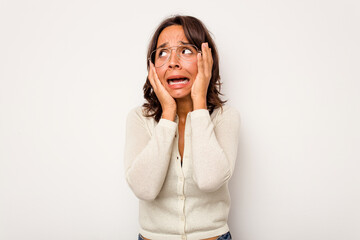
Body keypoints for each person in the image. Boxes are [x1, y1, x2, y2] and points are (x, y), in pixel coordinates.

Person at [124, 15, 240, 240]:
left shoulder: (226, 118)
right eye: (163, 53)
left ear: (206, 60)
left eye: (186, 51)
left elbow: (209, 181)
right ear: (152, 67)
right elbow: (144, 190)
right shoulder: (139, 118)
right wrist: (168, 113)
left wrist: (199, 103)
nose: (173, 62)